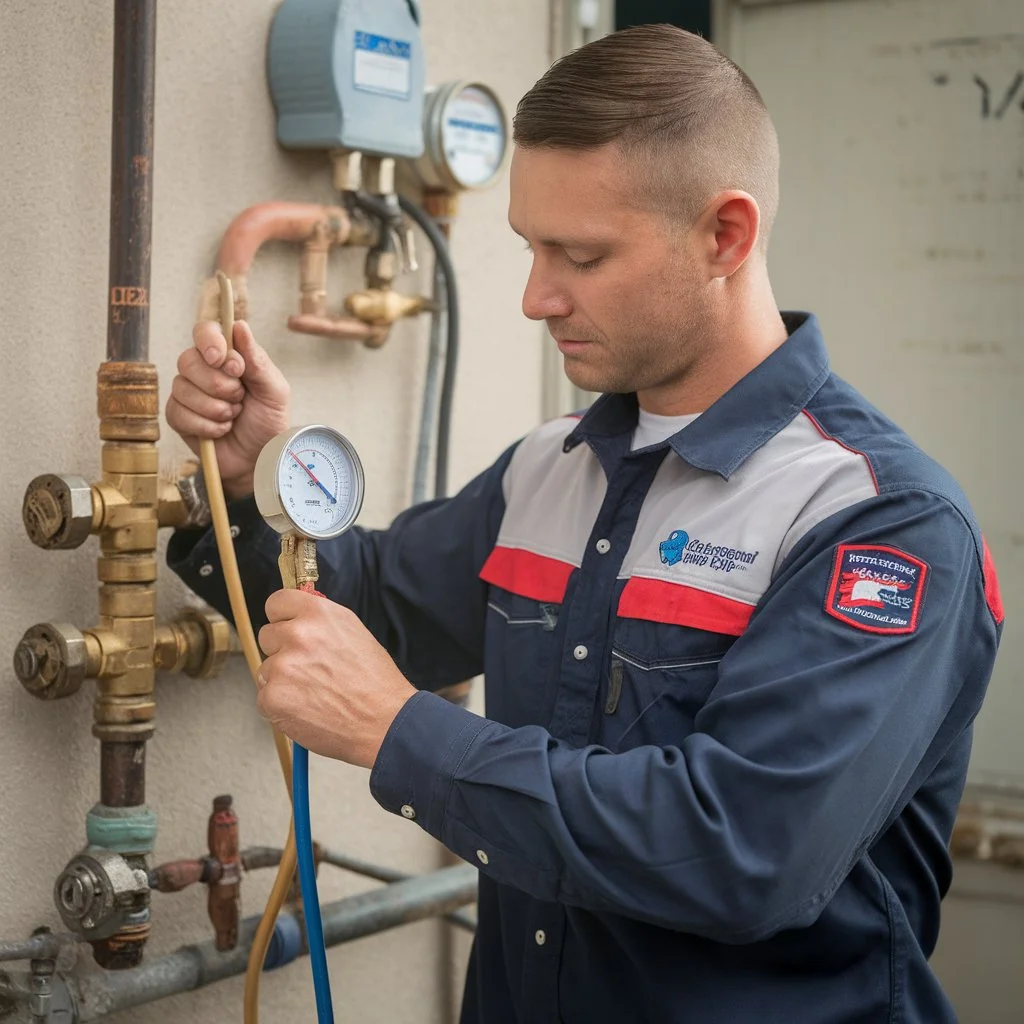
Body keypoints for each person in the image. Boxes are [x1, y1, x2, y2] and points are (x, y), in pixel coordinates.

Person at [166, 24, 1004, 1024]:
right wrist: (240, 483)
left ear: (724, 236)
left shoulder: (876, 520)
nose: (534, 296)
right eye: (529, 245)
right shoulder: (546, 467)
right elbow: (366, 608)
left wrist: (401, 731)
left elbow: (741, 851)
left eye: (581, 254)